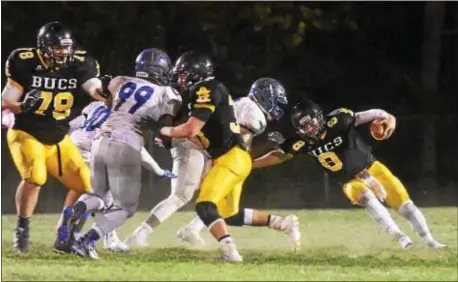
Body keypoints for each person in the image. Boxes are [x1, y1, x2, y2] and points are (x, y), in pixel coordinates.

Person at [125, 78, 300, 252]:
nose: (277, 107)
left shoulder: (244, 105)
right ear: (264, 97)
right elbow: (234, 142)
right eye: (275, 100)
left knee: (224, 207)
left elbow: (233, 140)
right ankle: (141, 235)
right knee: (185, 196)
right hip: (197, 144)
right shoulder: (252, 112)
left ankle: (192, 229)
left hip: (205, 146)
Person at [271, 101, 446, 249]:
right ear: (299, 129)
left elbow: (373, 114)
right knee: (365, 196)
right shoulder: (299, 143)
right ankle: (402, 239)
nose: (310, 128)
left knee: (406, 206)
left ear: (319, 116)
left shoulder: (339, 120)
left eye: (311, 122)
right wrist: (253, 161)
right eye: (304, 126)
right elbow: (278, 156)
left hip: (372, 168)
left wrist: (388, 118)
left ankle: (430, 241)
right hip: (350, 181)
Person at [1, 21, 108, 253]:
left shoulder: (81, 63)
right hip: (26, 131)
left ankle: (64, 233)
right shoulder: (24, 61)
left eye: (66, 47)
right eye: (57, 48)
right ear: (44, 47)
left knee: (86, 186)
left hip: (58, 135)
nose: (63, 52)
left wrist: (104, 93)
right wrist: (22, 106)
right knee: (36, 178)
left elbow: (94, 88)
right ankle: (22, 229)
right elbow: (4, 103)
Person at [65, 48, 181, 259]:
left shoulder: (119, 81)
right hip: (125, 143)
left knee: (98, 196)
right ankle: (87, 240)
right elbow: (164, 127)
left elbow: (109, 105)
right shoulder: (167, 93)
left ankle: (75, 210)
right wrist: (167, 139)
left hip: (100, 140)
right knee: (124, 207)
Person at [61, 98, 176, 253]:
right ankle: (105, 239)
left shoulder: (96, 105)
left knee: (96, 195)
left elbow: (73, 125)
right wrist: (159, 171)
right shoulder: (128, 115)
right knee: (117, 201)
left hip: (74, 149)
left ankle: (74, 231)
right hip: (96, 150)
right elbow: (138, 150)